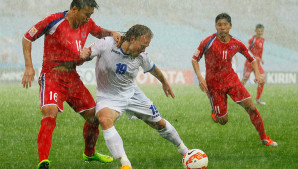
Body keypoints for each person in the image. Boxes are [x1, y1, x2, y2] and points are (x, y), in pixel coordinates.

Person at [21, 0, 121, 168]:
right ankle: (43, 161)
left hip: (72, 78)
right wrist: (29, 67)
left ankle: (89, 154)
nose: (88, 18)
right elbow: (27, 37)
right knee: (49, 113)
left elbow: (98, 31)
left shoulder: (88, 23)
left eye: (91, 15)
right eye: (86, 14)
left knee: (94, 117)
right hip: (52, 76)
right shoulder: (54, 20)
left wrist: (112, 32)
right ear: (74, 9)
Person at [80, 24, 189, 169]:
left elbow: (153, 68)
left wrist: (165, 83)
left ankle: (185, 151)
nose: (144, 50)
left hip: (133, 95)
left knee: (159, 123)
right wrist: (83, 53)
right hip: (108, 97)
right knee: (105, 120)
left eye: (146, 47)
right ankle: (125, 164)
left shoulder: (142, 56)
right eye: (143, 45)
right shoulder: (107, 43)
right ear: (132, 38)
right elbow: (86, 53)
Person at [191, 13, 277, 146]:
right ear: (216, 26)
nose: (222, 27)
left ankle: (264, 138)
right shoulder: (208, 42)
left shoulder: (236, 43)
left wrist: (258, 75)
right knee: (223, 121)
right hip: (214, 85)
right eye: (219, 25)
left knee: (251, 108)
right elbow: (194, 59)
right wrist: (200, 77)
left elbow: (252, 59)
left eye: (225, 24)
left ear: (230, 26)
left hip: (232, 81)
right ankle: (215, 110)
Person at [242, 24, 266, 105]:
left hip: (258, 64)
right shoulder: (252, 39)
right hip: (250, 63)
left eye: (261, 31)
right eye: (258, 31)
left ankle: (258, 99)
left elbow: (259, 52)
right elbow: (246, 50)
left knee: (262, 79)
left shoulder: (263, 40)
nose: (260, 32)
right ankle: (237, 96)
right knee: (244, 80)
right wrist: (255, 57)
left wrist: (260, 59)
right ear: (255, 31)